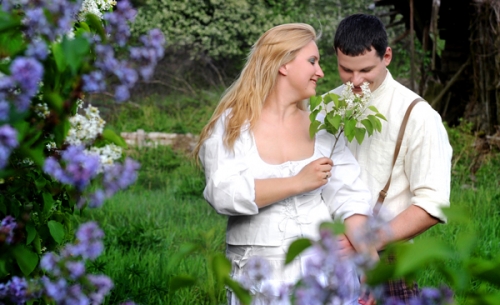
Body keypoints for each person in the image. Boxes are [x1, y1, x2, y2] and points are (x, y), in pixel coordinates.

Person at [194, 23, 377, 304]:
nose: (321, 72)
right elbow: (221, 193)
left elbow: (348, 198)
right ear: (283, 64)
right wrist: (296, 183)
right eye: (312, 61)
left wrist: (369, 264)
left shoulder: (322, 127)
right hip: (264, 283)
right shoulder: (233, 125)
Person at [326, 14, 452, 303]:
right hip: (328, 256)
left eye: (366, 70)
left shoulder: (418, 116)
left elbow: (432, 203)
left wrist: (365, 239)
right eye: (346, 70)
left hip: (387, 258)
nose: (355, 81)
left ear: (388, 56)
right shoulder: (326, 108)